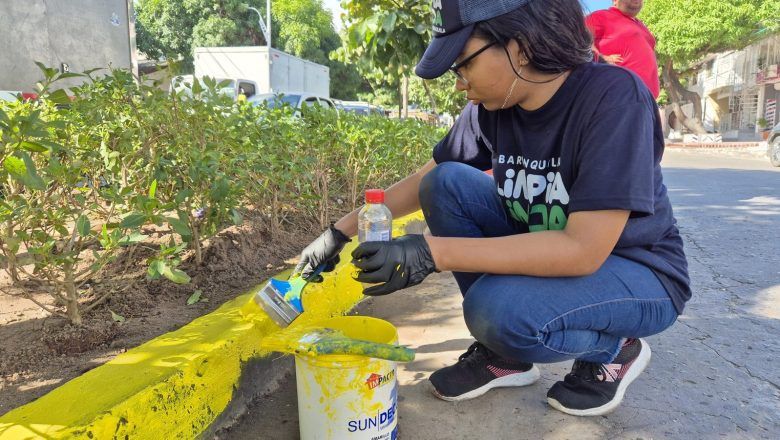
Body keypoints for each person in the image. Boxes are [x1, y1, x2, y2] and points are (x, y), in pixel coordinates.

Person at [293, 0, 690, 417]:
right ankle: (507, 355)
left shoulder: (613, 97)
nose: (460, 83)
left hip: (637, 271)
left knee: (495, 311)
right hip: (553, 249)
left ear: (520, 48)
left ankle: (614, 348)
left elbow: (582, 249)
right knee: (444, 182)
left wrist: (432, 252)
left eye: (464, 64)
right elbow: (423, 179)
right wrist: (338, 232)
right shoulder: (492, 109)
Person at [585, 0, 660, 98]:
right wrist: (599, 57)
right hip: (620, 96)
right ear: (615, 1)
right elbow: (577, 34)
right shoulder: (601, 16)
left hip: (648, 99)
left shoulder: (641, 24)